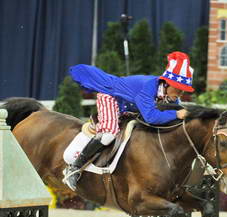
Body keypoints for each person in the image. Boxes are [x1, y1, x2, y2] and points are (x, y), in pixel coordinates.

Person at [63, 51, 195, 191]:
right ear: (167, 83)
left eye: (183, 91)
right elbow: (151, 117)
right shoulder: (148, 87)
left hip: (128, 106)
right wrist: (176, 114)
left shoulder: (170, 94)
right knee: (109, 134)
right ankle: (74, 168)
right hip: (111, 97)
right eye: (179, 89)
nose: (181, 94)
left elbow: (177, 112)